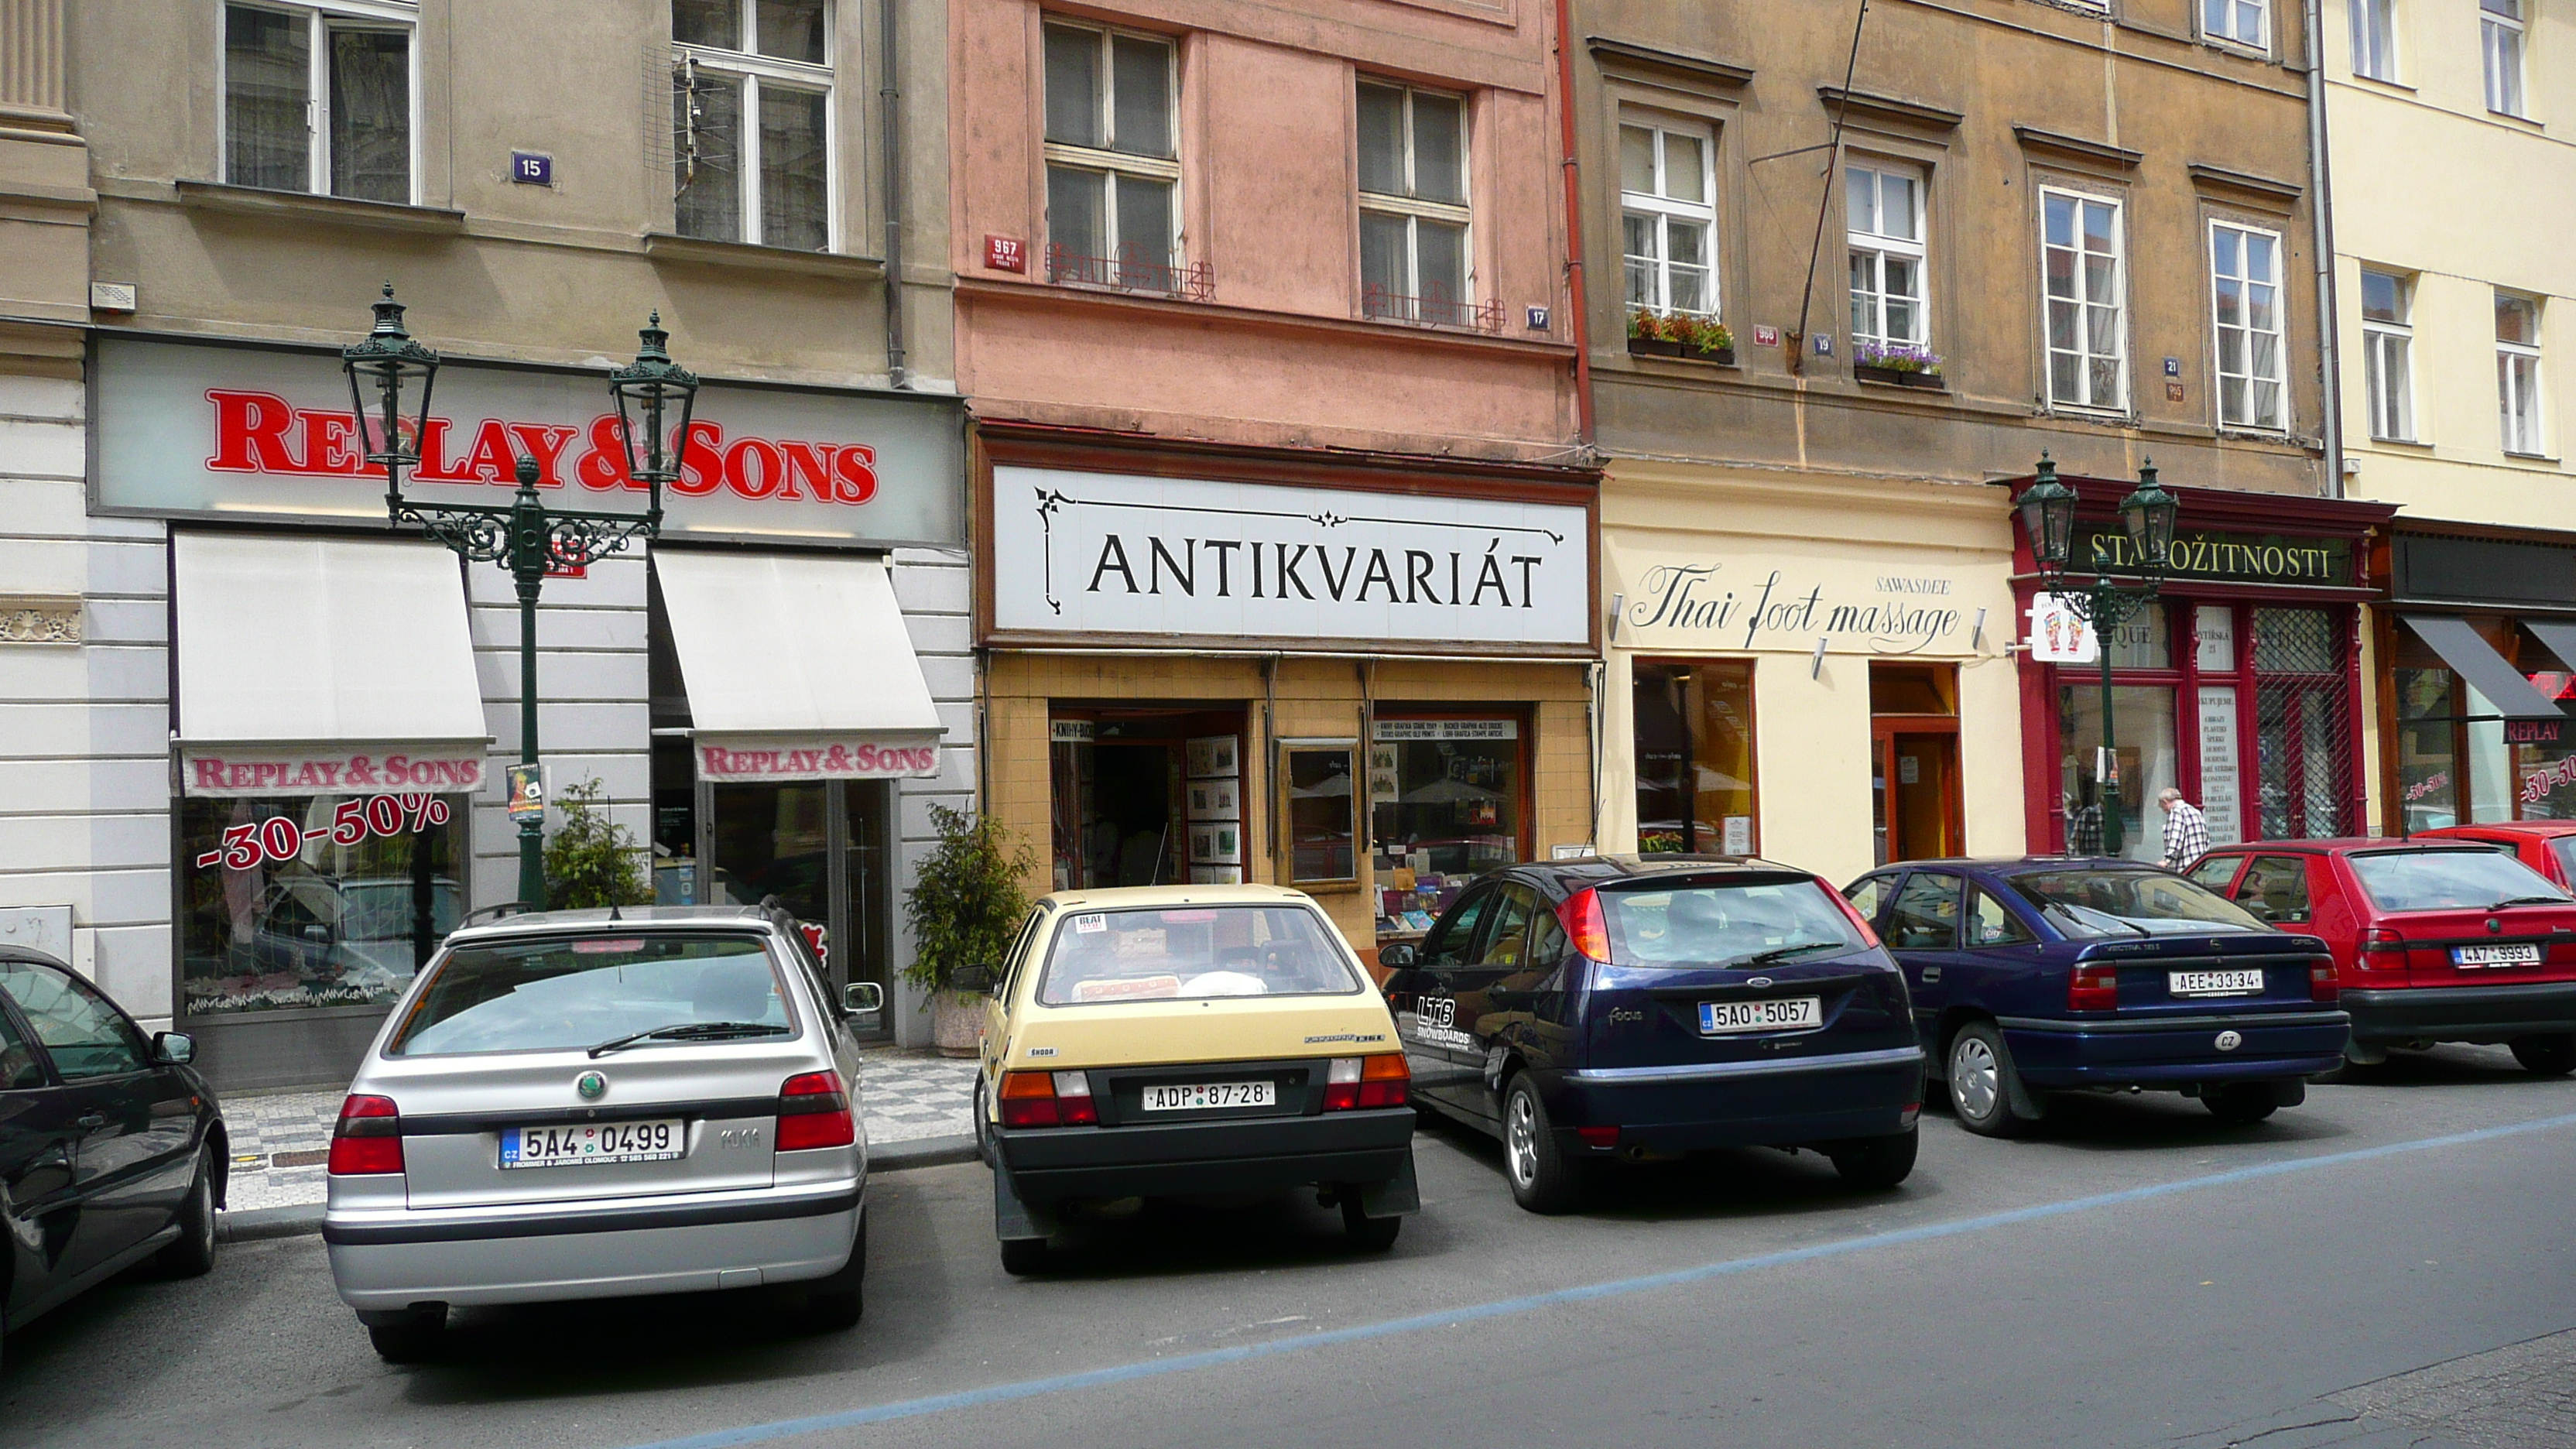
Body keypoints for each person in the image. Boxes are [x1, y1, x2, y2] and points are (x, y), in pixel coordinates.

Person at [2157, 787, 2211, 872]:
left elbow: (2176, 840)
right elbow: (2206, 839)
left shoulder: (2177, 812)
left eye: (2161, 806)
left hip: (2185, 868)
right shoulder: (2196, 812)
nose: (2162, 809)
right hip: (2200, 866)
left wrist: (2166, 861)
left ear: (2165, 802)